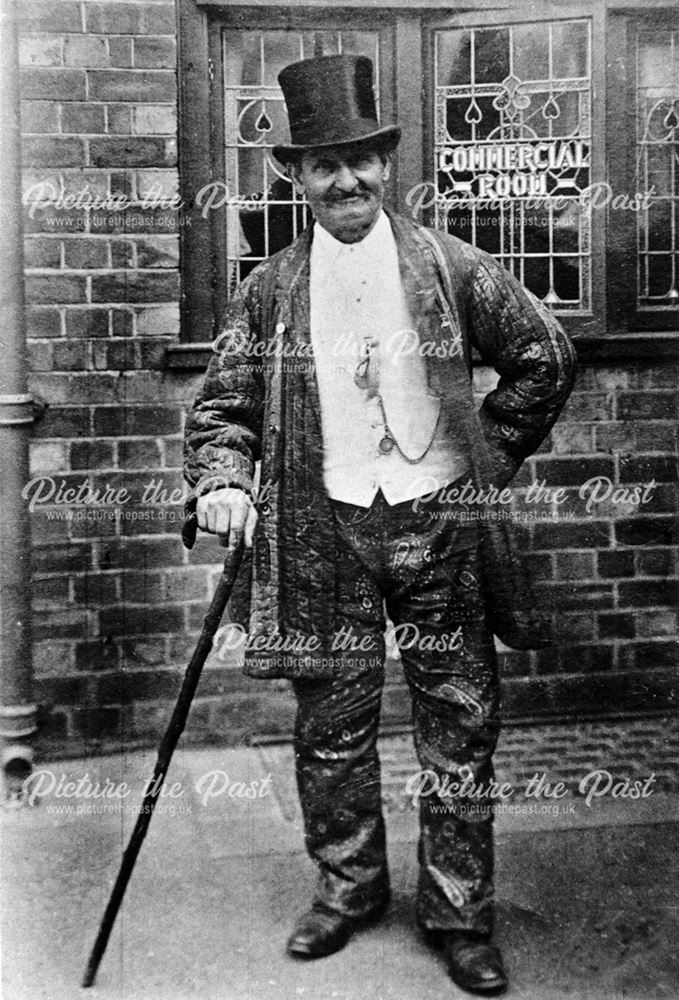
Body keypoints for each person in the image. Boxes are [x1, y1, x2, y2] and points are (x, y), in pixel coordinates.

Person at [184, 54, 576, 995]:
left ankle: (459, 910)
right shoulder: (267, 292)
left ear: (386, 162)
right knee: (330, 725)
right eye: (324, 163)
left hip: (439, 530)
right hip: (325, 532)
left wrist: (484, 457)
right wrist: (222, 480)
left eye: (361, 158)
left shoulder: (451, 265)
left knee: (460, 723)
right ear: (294, 176)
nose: (346, 179)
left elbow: (542, 358)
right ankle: (348, 888)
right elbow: (223, 410)